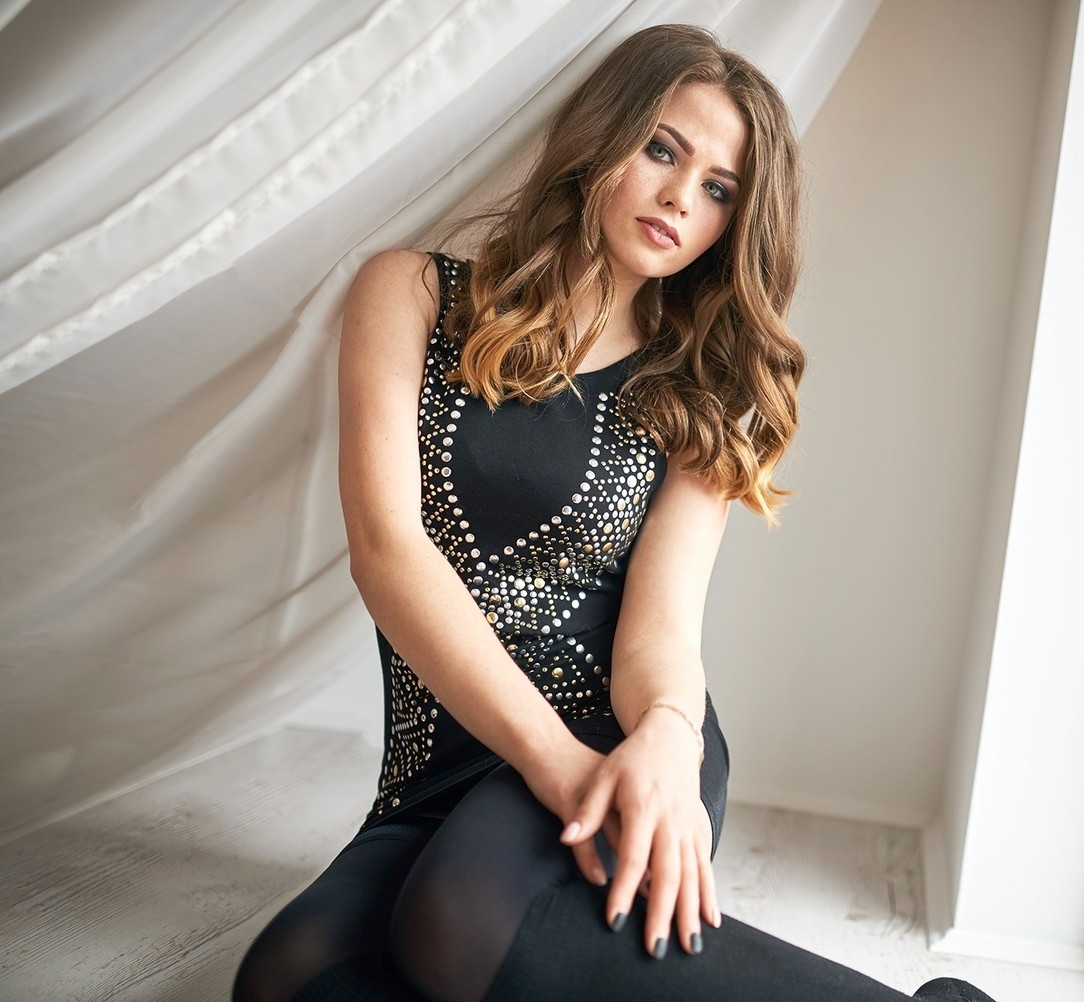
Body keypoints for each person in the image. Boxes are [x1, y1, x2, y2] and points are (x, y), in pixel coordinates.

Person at [233, 23, 996, 1002]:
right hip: (442, 770)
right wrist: (544, 759)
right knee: (289, 978)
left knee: (459, 918)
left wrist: (668, 740)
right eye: (663, 150)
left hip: (620, 738)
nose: (681, 198)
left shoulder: (697, 397)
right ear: (602, 137)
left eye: (719, 189)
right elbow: (388, 551)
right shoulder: (411, 294)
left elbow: (660, 631)